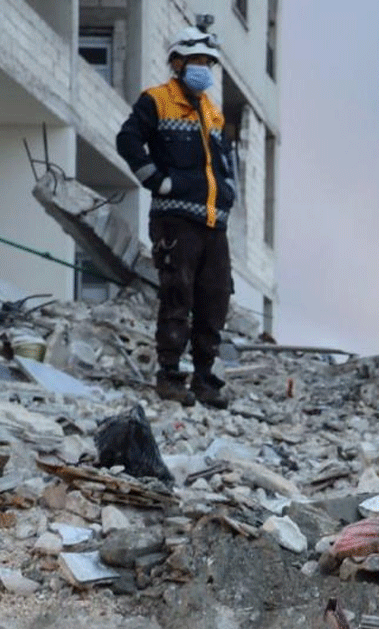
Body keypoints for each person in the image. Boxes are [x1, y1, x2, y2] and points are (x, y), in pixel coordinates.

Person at [115, 26, 236, 410]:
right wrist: (157, 181)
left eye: (209, 63)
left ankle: (204, 378)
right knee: (177, 294)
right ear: (178, 62)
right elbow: (128, 140)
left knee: (214, 298)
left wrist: (229, 193)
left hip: (214, 222)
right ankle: (169, 375)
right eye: (198, 61)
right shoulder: (157, 100)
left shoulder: (212, 112)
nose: (204, 70)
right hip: (176, 219)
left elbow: (223, 163)